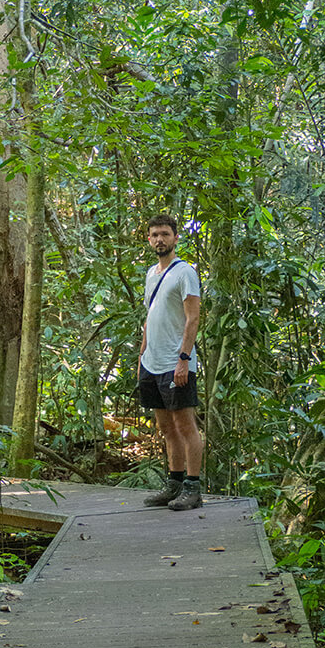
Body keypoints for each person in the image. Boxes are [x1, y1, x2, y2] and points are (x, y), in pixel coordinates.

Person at [137, 214, 203, 510]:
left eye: (165, 234)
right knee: (166, 427)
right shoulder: (151, 273)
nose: (159, 239)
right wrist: (141, 357)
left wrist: (183, 360)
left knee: (185, 424)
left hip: (176, 362)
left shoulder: (185, 272)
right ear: (149, 240)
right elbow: (150, 320)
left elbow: (193, 318)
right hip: (152, 363)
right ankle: (174, 484)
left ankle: (193, 487)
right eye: (154, 234)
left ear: (176, 238)